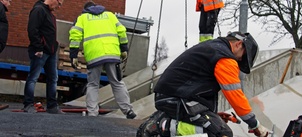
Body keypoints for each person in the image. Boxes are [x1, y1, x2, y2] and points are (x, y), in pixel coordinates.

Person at [137, 32, 269, 137]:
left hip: (173, 97)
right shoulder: (225, 58)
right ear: (238, 44)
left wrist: (214, 115)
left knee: (216, 126)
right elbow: (235, 95)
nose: (238, 61)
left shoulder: (213, 48)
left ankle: (165, 120)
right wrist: (254, 124)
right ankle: (162, 126)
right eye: (241, 58)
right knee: (221, 134)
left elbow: (195, 85)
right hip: (177, 99)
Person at [69, 1, 136, 119]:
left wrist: (73, 55)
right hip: (112, 53)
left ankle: (92, 113)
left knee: (93, 85)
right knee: (117, 83)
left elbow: (75, 35)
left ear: (85, 10)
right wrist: (124, 48)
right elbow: (121, 31)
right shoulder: (110, 15)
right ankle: (128, 110)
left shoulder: (83, 18)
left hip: (94, 55)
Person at [23, 0, 64, 114]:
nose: (59, 7)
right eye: (59, 3)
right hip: (41, 51)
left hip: (50, 51)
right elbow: (32, 29)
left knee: (53, 78)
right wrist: (38, 47)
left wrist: (54, 44)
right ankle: (28, 104)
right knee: (33, 77)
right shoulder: (39, 10)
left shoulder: (49, 14)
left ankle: (52, 106)